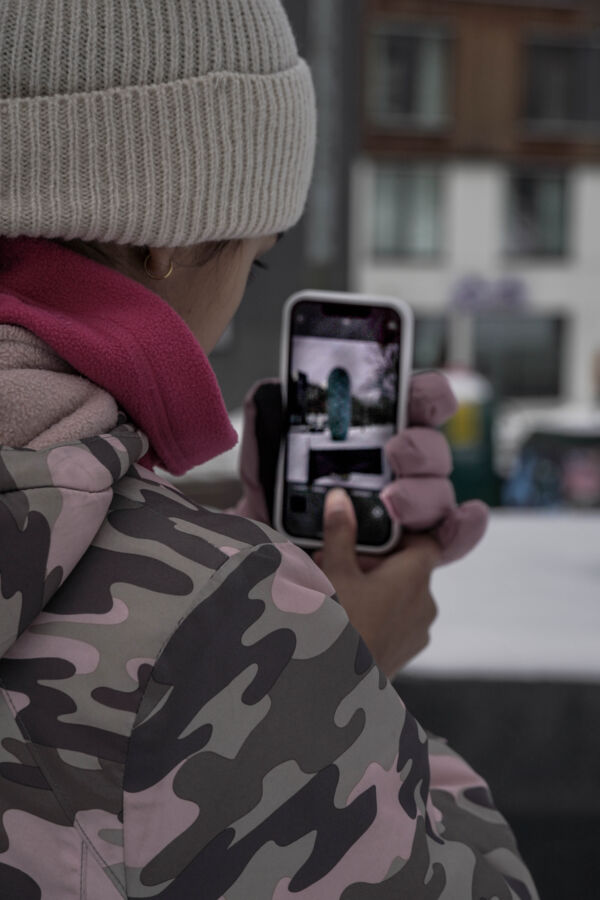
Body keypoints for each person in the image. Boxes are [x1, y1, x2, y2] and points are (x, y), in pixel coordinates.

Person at [0, 2, 538, 898]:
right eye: (255, 259)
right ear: (162, 229)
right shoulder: (221, 629)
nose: (233, 310)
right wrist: (334, 670)